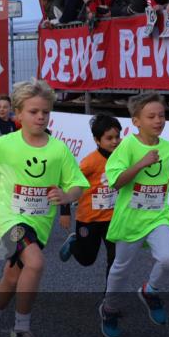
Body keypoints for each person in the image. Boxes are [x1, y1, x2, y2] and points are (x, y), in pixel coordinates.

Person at [0, 79, 87, 337]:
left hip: (39, 223)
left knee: (13, 276)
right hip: (9, 218)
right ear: (18, 114)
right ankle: (21, 330)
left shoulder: (58, 149)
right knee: (35, 262)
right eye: (34, 111)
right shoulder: (4, 145)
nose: (40, 117)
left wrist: (66, 194)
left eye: (45, 112)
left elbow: (78, 185)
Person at [98, 93, 169, 337]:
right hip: (131, 217)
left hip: (157, 215)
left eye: (162, 115)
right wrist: (141, 163)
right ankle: (109, 308)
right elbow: (115, 182)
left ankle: (150, 290)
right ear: (136, 121)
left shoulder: (168, 148)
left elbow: (166, 174)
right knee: (120, 269)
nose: (158, 120)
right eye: (151, 116)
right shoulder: (127, 146)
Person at [58, 115, 121, 283]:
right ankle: (74, 243)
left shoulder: (122, 158)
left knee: (115, 259)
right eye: (109, 138)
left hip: (112, 219)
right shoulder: (90, 162)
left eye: (117, 137)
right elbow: (70, 183)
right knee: (87, 260)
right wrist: (64, 211)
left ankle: (109, 298)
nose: (115, 141)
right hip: (89, 219)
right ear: (97, 140)